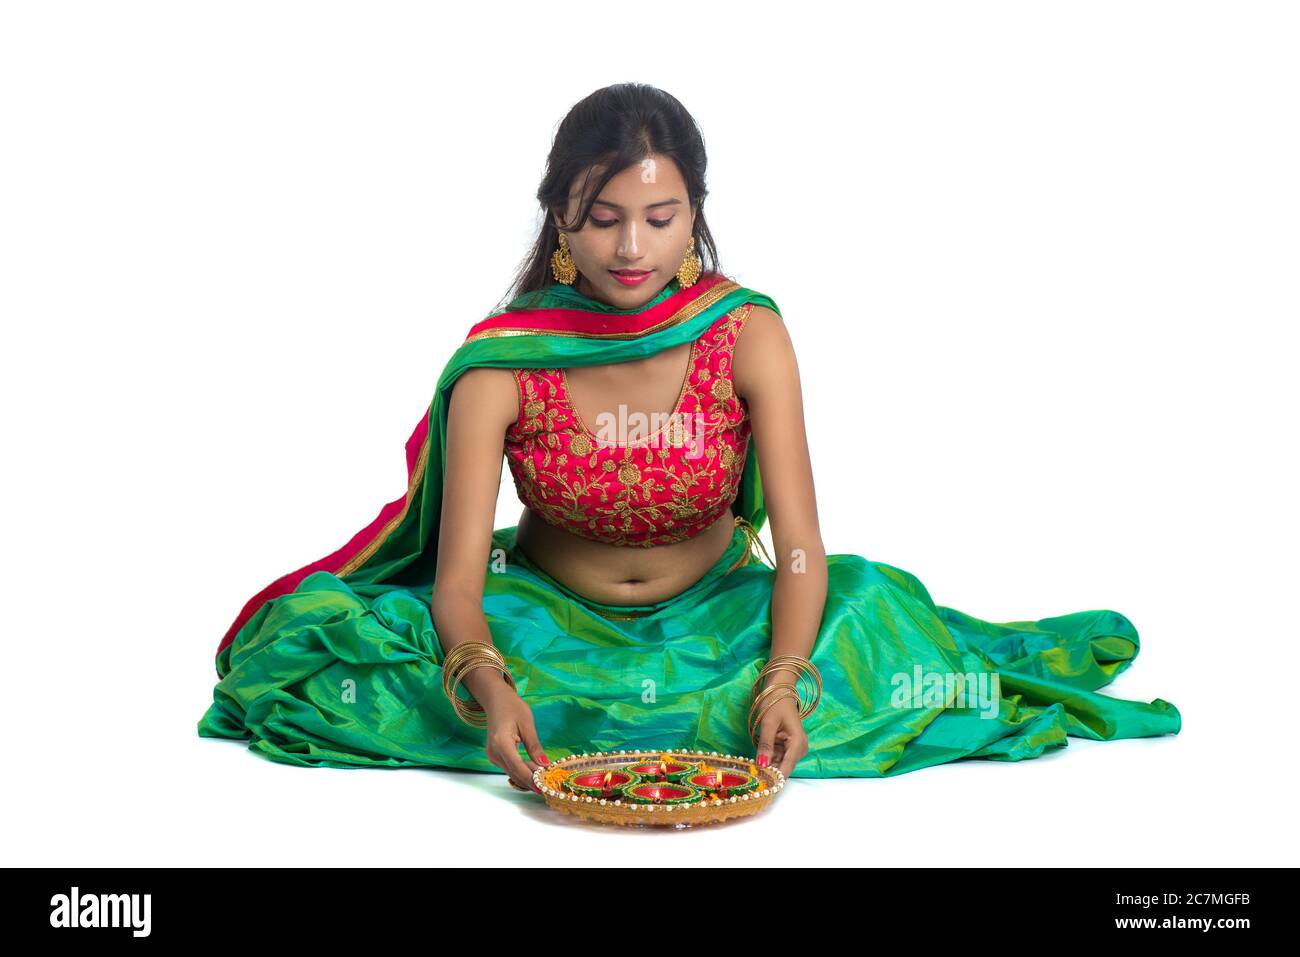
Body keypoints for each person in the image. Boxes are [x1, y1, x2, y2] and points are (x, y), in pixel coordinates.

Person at [197, 83, 1181, 792]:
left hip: (727, 616)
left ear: (695, 220)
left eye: (660, 218)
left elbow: (799, 547)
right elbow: (457, 585)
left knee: (873, 645)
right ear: (560, 228)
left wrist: (783, 681)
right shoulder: (501, 365)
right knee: (329, 661)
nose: (632, 248)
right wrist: (484, 684)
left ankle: (765, 699)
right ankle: (532, 711)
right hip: (542, 623)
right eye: (603, 219)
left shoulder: (747, 334)